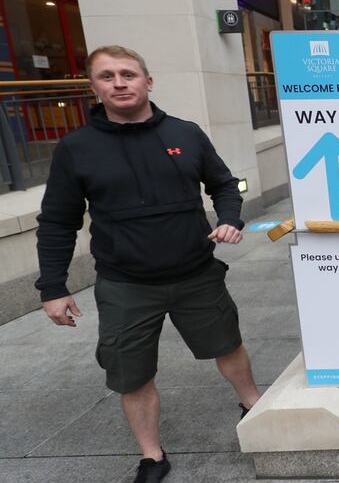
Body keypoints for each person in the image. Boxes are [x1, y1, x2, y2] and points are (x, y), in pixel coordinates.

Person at [35, 45, 261, 482]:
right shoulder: (77, 148)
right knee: (131, 374)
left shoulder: (186, 133)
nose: (119, 83)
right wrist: (53, 288)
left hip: (197, 273)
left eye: (128, 74)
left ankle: (253, 402)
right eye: (107, 76)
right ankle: (152, 457)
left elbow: (224, 185)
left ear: (148, 81)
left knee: (227, 344)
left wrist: (230, 218)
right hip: (125, 284)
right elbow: (57, 222)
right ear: (93, 87)